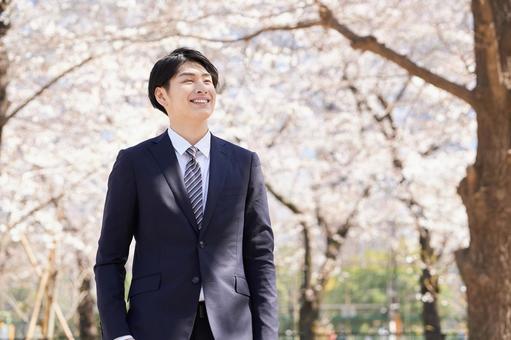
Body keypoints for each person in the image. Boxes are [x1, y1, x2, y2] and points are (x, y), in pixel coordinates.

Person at [94, 47, 278, 340]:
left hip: (232, 328)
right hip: (154, 326)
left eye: (207, 80)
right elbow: (109, 258)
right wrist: (118, 334)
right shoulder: (135, 163)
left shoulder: (244, 163)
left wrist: (267, 334)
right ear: (162, 95)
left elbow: (260, 257)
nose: (202, 87)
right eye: (189, 80)